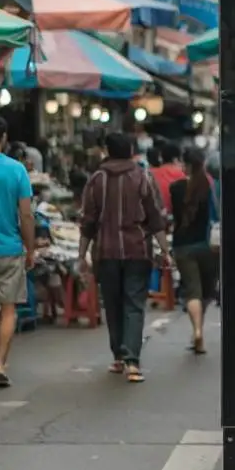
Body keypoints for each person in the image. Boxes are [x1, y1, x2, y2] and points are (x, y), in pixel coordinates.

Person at [78, 132, 172, 382]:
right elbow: (155, 218)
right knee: (133, 304)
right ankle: (132, 361)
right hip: (137, 250)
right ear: (130, 150)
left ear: (107, 150)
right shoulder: (142, 177)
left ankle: (119, 357)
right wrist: (164, 250)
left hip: (105, 252)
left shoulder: (96, 179)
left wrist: (81, 254)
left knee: (113, 303)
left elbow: (87, 221)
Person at [0, 117, 35, 387]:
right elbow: (26, 214)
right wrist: (30, 248)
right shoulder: (17, 170)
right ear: (4, 138)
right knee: (8, 310)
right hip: (9, 250)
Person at [170, 147, 219, 355]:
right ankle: (197, 330)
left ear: (187, 165)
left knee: (192, 291)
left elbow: (173, 214)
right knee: (206, 292)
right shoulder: (212, 186)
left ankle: (197, 331)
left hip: (183, 246)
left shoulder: (175, 188)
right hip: (210, 246)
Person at [150, 142, 185, 217]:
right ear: (176, 159)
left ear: (161, 158)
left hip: (156, 217)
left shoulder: (151, 173)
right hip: (176, 216)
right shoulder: (183, 174)